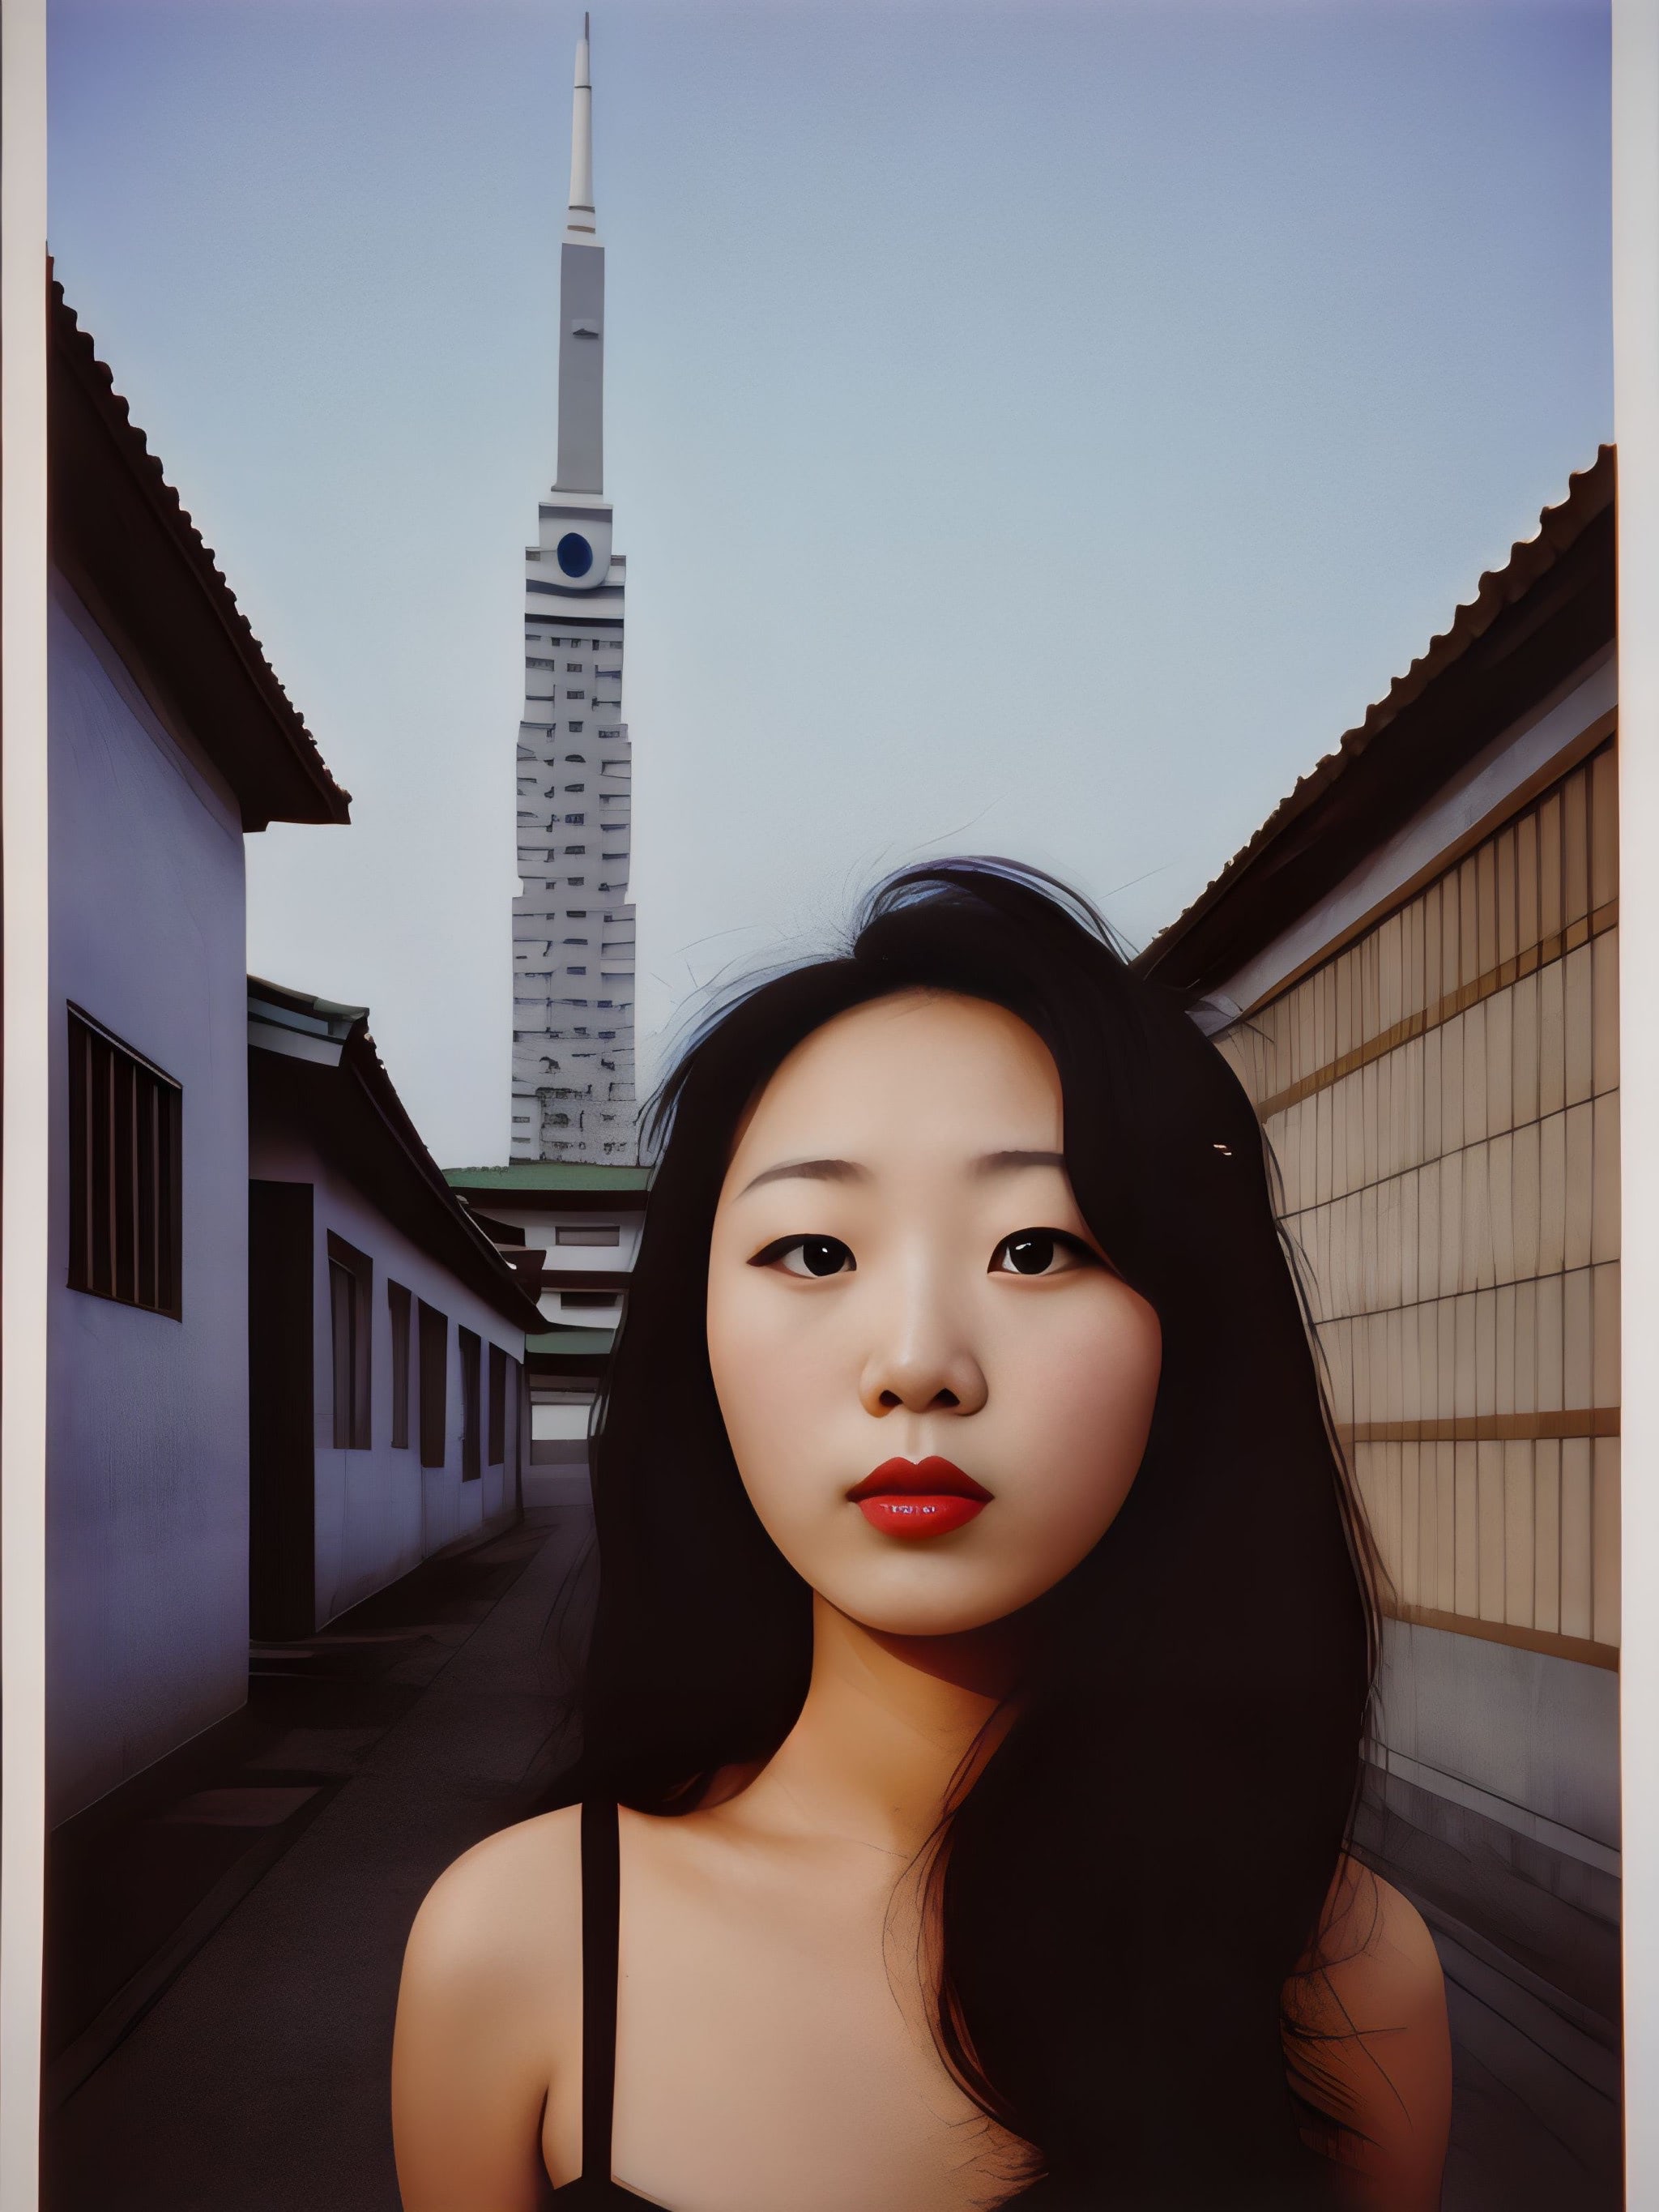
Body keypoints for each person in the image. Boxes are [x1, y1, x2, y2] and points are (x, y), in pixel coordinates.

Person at [391, 861, 1452, 2212]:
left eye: (1037, 1247)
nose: (915, 1363)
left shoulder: (1346, 1970)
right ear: (694, 1335)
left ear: (1190, 1331)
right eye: (815, 1252)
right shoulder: (520, 1945)